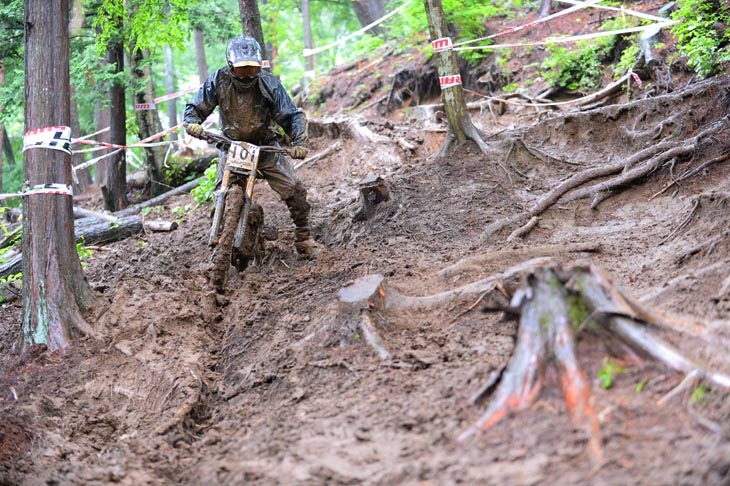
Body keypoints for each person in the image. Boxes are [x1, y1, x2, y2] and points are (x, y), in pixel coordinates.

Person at [183, 35, 323, 257]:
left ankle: (304, 237)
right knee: (221, 193)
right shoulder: (217, 80)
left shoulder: (268, 83)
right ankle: (220, 237)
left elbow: (291, 115)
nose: (247, 74)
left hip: (265, 146)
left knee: (294, 189)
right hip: (232, 147)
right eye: (241, 69)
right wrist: (192, 123)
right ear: (230, 66)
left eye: (252, 68)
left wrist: (299, 142)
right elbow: (196, 107)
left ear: (259, 66)